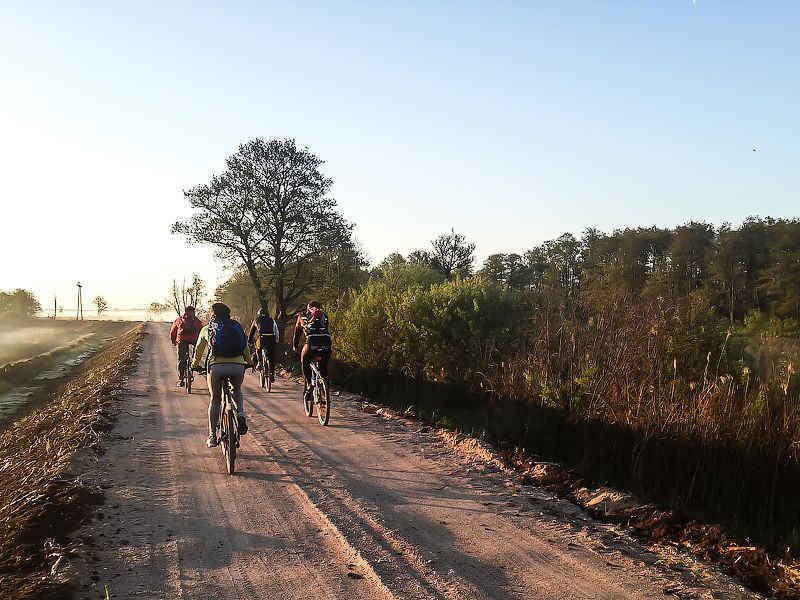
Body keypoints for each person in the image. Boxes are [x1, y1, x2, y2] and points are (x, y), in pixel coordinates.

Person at [191, 303, 252, 447]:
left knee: (215, 400)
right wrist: (248, 362)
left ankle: (212, 436)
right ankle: (241, 414)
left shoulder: (208, 328)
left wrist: (194, 365)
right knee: (237, 390)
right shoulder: (236, 326)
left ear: (212, 314)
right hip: (237, 366)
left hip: (217, 366)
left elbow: (199, 349)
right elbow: (245, 346)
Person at [292, 301, 332, 404]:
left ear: (308, 308)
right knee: (323, 368)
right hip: (326, 343)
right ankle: (325, 393)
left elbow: (297, 333)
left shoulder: (303, 316)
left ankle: (309, 384)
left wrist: (295, 347)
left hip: (311, 342)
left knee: (305, 361)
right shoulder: (324, 315)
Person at [169, 306, 203, 387]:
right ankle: (195, 365)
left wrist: (173, 340)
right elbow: (201, 330)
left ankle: (181, 380)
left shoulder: (179, 319)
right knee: (197, 353)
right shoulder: (196, 320)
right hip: (194, 339)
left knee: (181, 358)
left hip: (182, 339)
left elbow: (173, 331)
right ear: (193, 312)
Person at [248, 306, 280, 383]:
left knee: (258, 347)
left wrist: (250, 341)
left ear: (259, 314)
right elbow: (276, 331)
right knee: (272, 356)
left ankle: (259, 362)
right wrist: (276, 340)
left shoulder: (256, 320)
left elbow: (251, 332)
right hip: (271, 338)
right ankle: (272, 372)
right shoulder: (272, 320)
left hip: (261, 338)